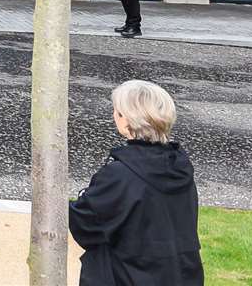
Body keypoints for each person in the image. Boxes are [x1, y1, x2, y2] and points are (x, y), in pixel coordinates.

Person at [69, 80, 202, 285]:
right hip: (180, 275)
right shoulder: (179, 167)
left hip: (127, 276)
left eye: (117, 111)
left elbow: (86, 227)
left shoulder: (120, 175)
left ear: (125, 119)